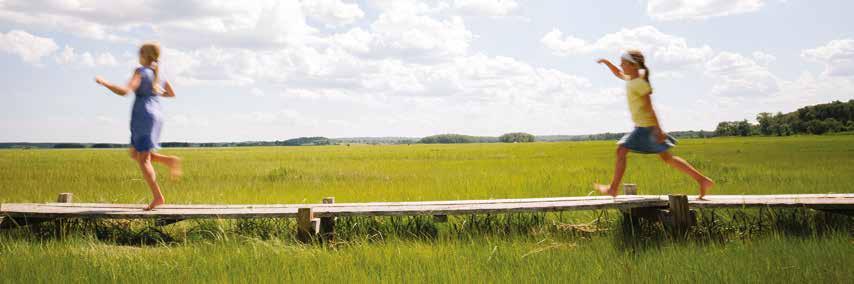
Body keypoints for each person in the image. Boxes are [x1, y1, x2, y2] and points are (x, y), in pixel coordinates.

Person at [594, 50, 714, 199]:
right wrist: (606, 63)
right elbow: (618, 72)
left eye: (623, 62)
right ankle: (702, 180)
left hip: (646, 127)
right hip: (645, 127)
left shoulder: (639, 83)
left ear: (632, 65)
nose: (620, 65)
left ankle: (613, 189)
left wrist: (658, 129)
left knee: (621, 150)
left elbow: (649, 107)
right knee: (668, 158)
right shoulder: (632, 79)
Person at [95, 42, 181, 210]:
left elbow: (125, 91)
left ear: (144, 55)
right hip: (156, 113)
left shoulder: (141, 71)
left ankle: (158, 197)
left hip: (143, 115)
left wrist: (105, 83)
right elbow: (171, 94)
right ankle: (169, 161)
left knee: (143, 159)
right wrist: (153, 91)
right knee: (136, 153)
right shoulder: (158, 73)